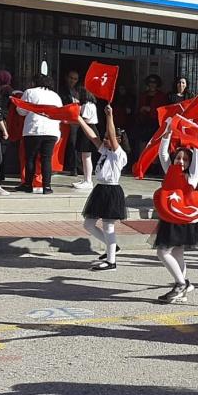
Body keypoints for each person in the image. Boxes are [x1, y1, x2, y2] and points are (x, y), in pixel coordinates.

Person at [153, 128, 198, 303]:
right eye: (178, 158)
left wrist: (195, 132)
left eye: (185, 159)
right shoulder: (169, 170)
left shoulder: (192, 176)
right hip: (170, 219)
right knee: (177, 253)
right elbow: (162, 153)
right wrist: (168, 132)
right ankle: (181, 289)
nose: (182, 161)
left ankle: (180, 283)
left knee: (162, 252)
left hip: (184, 220)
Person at [75, 104, 127, 271]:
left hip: (111, 190)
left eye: (109, 138)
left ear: (119, 140)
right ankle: (112, 246)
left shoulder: (119, 154)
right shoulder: (105, 151)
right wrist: (78, 119)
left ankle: (111, 261)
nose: (106, 140)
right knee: (88, 224)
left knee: (108, 226)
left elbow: (111, 135)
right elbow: (92, 136)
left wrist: (109, 116)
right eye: (105, 138)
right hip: (100, 189)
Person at [18, 74, 63, 194]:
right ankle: (47, 187)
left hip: (34, 129)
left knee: (30, 158)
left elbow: (21, 111)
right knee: (46, 159)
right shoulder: (56, 96)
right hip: (51, 130)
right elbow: (60, 113)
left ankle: (28, 184)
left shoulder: (29, 92)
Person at [72, 88, 99, 191]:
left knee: (86, 156)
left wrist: (76, 117)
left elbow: (86, 119)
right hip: (86, 128)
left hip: (88, 128)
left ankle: (88, 180)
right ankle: (85, 178)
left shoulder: (87, 105)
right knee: (85, 156)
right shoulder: (88, 104)